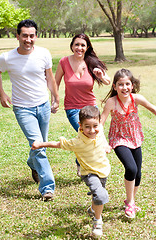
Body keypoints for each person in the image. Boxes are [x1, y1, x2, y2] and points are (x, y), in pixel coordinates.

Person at [0, 19, 59, 201]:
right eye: (24, 35)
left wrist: (55, 97)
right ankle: (47, 188)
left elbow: (49, 77)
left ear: (36, 36)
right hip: (23, 108)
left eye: (32, 36)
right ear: (17, 36)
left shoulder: (44, 54)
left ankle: (32, 163)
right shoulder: (6, 58)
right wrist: (2, 94)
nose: (28, 39)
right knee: (39, 146)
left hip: (43, 105)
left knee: (41, 143)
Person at [32, 106, 111, 236]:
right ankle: (97, 221)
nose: (92, 130)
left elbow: (101, 137)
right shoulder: (77, 142)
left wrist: (106, 145)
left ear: (99, 122)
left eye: (95, 126)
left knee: (97, 196)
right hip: (89, 173)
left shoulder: (99, 130)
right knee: (101, 195)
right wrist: (41, 144)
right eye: (87, 127)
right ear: (80, 126)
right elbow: (58, 144)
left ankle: (93, 209)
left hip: (103, 170)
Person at [101, 68, 156, 218]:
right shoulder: (111, 102)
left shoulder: (136, 98)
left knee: (138, 173)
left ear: (132, 85)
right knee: (131, 168)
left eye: (127, 84)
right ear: (114, 86)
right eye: (120, 84)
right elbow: (101, 123)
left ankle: (130, 200)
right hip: (119, 139)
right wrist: (104, 143)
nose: (124, 87)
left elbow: (153, 109)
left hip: (135, 137)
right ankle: (130, 204)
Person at [54, 33, 110, 176]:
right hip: (72, 108)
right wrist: (55, 100)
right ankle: (86, 167)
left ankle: (86, 166)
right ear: (72, 46)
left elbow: (108, 81)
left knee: (90, 136)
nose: (79, 48)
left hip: (91, 107)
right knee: (86, 135)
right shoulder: (64, 62)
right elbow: (55, 83)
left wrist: (100, 75)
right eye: (76, 44)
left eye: (83, 45)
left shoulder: (91, 62)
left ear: (87, 47)